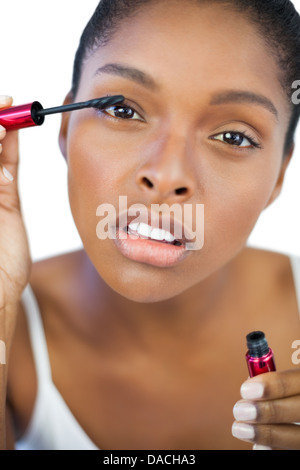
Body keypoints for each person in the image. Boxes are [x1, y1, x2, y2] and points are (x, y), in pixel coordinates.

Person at [0, 0, 300, 451]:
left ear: (279, 175)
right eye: (123, 111)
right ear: (65, 129)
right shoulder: (12, 333)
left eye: (234, 137)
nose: (167, 175)